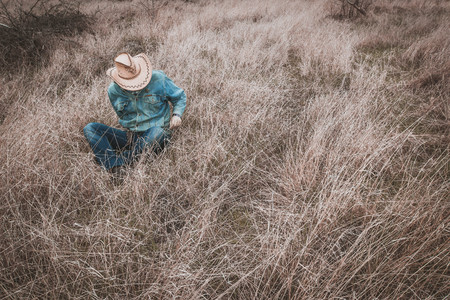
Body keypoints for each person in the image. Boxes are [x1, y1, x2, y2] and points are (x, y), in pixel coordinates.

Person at [83, 52, 186, 180]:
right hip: (130, 136)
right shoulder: (113, 91)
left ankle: (114, 161)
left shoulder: (159, 79)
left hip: (156, 134)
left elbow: (180, 97)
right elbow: (121, 114)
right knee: (91, 128)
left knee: (157, 133)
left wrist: (177, 115)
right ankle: (117, 164)